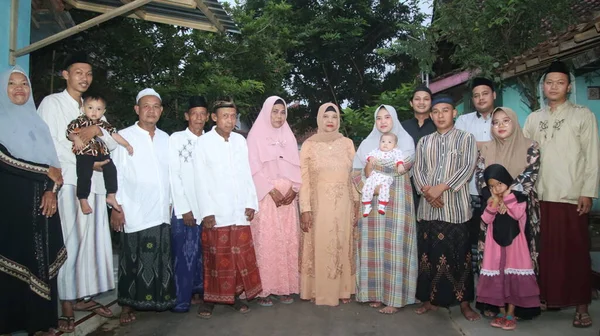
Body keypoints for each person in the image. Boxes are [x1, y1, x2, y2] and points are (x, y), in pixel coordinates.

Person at [37, 52, 115, 331]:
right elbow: (49, 144)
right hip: (69, 181)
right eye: (78, 72)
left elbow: (112, 141)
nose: (84, 78)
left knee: (92, 244)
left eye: (89, 73)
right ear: (65, 75)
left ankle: (84, 296)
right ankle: (66, 303)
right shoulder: (52, 103)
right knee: (70, 242)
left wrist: (96, 130)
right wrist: (85, 161)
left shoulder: (93, 107)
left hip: (95, 185)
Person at [523, 60, 600, 328]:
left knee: (576, 252)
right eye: (549, 82)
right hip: (540, 195)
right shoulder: (534, 118)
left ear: (568, 86)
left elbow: (592, 157)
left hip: (571, 195)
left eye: (560, 82)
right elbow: (525, 157)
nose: (554, 87)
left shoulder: (583, 115)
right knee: (544, 252)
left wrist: (588, 192)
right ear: (543, 87)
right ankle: (548, 298)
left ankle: (581, 306)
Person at [0, 67, 66, 336]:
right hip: (10, 202)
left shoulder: (38, 123)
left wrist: (51, 189)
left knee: (42, 258)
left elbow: (54, 166)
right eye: (12, 84)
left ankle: (42, 322)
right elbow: (4, 158)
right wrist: (44, 173)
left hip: (42, 201)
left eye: (24, 83)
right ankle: (10, 322)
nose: (19, 88)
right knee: (15, 257)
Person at [110, 88, 176, 325]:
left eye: (156, 106)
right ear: (137, 109)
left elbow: (171, 175)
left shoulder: (166, 139)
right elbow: (114, 174)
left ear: (161, 111)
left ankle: (159, 300)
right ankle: (127, 305)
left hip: (160, 210)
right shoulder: (123, 136)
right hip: (134, 209)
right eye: (146, 106)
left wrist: (171, 203)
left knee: (160, 258)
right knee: (131, 258)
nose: (151, 110)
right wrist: (116, 208)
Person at [413, 94, 479, 321]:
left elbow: (467, 166)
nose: (440, 115)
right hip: (429, 209)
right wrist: (428, 192)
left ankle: (464, 303)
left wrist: (441, 188)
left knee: (459, 257)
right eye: (436, 111)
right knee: (429, 256)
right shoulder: (424, 142)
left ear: (454, 113)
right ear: (431, 115)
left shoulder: (466, 139)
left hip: (456, 209)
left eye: (445, 110)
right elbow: (417, 170)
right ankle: (429, 300)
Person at [193, 99, 262, 318]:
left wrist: (251, 202)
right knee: (215, 258)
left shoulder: (240, 142)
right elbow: (199, 180)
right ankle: (210, 300)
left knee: (238, 258)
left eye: (233, 116)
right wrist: (206, 212)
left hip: (239, 209)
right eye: (225, 116)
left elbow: (246, 174)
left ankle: (233, 297)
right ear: (214, 118)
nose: (230, 120)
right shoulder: (203, 143)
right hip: (216, 211)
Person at [475, 107, 541, 320]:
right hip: (492, 207)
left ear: (514, 122)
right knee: (492, 259)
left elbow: (530, 175)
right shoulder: (485, 149)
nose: (500, 125)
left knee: (519, 259)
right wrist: (495, 199)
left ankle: (521, 306)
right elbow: (480, 178)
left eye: (505, 121)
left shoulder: (530, 146)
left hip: (520, 209)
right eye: (495, 122)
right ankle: (494, 304)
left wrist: (509, 197)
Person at [354, 104, 417, 314]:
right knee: (374, 246)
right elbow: (354, 171)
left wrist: (372, 167)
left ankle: (395, 298)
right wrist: (367, 187)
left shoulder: (405, 140)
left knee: (395, 246)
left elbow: (403, 165)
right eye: (379, 117)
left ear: (394, 119)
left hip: (397, 200)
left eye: (387, 117)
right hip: (372, 200)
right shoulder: (367, 143)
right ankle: (376, 293)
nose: (382, 121)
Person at [299, 103, 359, 306]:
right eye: (326, 116)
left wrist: (357, 203)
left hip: (345, 204)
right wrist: (305, 208)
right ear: (319, 119)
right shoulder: (309, 145)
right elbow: (304, 179)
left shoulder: (348, 143)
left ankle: (343, 290)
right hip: (319, 206)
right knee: (322, 244)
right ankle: (319, 291)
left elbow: (355, 176)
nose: (330, 121)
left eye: (334, 116)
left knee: (343, 243)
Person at [247, 96, 301, 307]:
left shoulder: (288, 136)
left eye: (282, 112)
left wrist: (295, 190)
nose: (279, 117)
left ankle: (284, 287)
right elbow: (252, 168)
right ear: (266, 112)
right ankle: (264, 289)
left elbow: (296, 167)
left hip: (287, 199)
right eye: (275, 112)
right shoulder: (255, 136)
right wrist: (270, 190)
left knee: (287, 241)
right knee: (267, 241)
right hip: (267, 197)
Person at [477, 164, 540, 331]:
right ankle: (501, 312)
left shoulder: (518, 198)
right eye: (492, 186)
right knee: (498, 279)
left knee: (513, 279)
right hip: (495, 249)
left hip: (515, 249)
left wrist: (507, 197)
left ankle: (511, 313)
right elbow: (486, 219)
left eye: (499, 184)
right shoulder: (492, 200)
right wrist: (495, 202)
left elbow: (518, 214)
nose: (496, 188)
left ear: (507, 182)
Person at [168, 95, 208, 313]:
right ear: (187, 116)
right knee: (184, 256)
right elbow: (174, 176)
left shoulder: (211, 140)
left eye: (203, 114)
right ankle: (181, 301)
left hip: (207, 210)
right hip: (185, 211)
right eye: (195, 114)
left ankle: (201, 294)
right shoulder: (176, 139)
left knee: (203, 256)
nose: (199, 118)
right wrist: (184, 209)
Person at [66, 94, 133, 214]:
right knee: (84, 175)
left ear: (103, 111)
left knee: (111, 170)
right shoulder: (78, 122)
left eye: (98, 109)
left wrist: (127, 144)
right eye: (90, 108)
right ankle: (83, 198)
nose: (94, 112)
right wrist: (75, 138)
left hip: (101, 153)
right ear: (83, 108)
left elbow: (115, 136)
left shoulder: (104, 124)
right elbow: (69, 133)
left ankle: (111, 195)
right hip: (84, 152)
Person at [455, 77, 496, 273]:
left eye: (485, 94)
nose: (480, 99)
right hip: (470, 189)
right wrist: (492, 145)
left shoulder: (503, 118)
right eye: (476, 95)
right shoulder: (463, 120)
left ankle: (494, 280)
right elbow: (460, 148)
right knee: (472, 236)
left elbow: (508, 145)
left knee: (495, 237)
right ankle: (475, 285)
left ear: (494, 95)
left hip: (498, 191)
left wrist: (476, 145)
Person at [402, 85, 436, 212]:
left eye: (426, 99)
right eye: (417, 99)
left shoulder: (438, 126)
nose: (421, 102)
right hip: (406, 184)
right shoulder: (402, 127)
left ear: (431, 103)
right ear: (411, 103)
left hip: (432, 184)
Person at [361, 133, 405, 216]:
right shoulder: (376, 151)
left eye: (389, 142)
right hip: (375, 174)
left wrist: (400, 164)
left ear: (395, 145)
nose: (385, 144)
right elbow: (368, 155)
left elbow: (399, 157)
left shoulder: (395, 151)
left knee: (384, 187)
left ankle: (382, 205)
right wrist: (371, 158)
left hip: (386, 175)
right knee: (368, 185)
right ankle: (367, 205)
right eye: (383, 141)